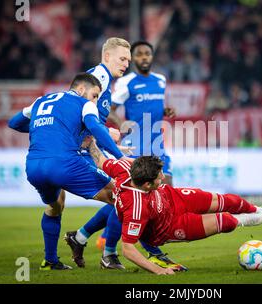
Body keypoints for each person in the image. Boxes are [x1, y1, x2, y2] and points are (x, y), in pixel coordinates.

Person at [64, 39, 183, 271]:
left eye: (135, 57)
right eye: (127, 58)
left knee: (132, 197)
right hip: (132, 146)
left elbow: (92, 115)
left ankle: (81, 237)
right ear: (108, 56)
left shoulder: (159, 80)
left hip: (156, 144)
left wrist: (164, 111)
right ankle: (146, 252)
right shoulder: (110, 79)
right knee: (129, 198)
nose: (131, 62)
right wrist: (119, 129)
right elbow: (102, 112)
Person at [84, 142, 262, 275]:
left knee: (229, 200)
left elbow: (101, 160)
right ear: (147, 185)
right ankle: (257, 217)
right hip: (170, 226)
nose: (163, 177)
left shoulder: (125, 168)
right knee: (226, 221)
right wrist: (158, 270)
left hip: (175, 198)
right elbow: (128, 249)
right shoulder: (136, 208)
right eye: (159, 177)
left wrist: (90, 143)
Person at [8, 73, 129, 270]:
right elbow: (95, 128)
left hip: (33, 166)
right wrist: (119, 157)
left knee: (55, 206)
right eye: (95, 95)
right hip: (64, 163)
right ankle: (110, 255)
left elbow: (13, 123)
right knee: (121, 195)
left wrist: (49, 128)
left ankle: (50, 261)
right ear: (81, 89)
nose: (95, 101)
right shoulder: (84, 103)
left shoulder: (41, 100)